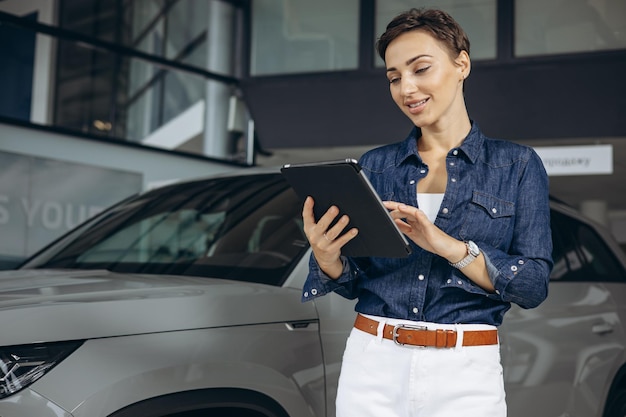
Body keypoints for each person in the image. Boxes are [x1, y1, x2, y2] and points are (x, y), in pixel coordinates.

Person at [300, 7, 553, 417]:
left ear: (461, 64)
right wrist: (328, 260)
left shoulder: (517, 165)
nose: (407, 88)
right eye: (395, 77)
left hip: (466, 371)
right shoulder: (375, 166)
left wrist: (446, 245)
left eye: (420, 69)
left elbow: (533, 287)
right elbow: (355, 283)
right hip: (372, 363)